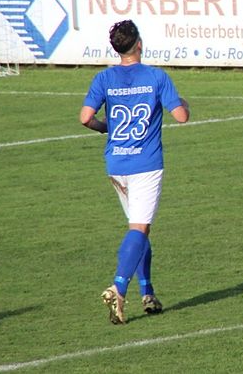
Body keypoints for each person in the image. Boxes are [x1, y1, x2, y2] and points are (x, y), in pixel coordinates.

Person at [79, 20, 190, 324]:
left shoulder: (104, 78)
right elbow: (181, 116)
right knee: (139, 229)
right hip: (146, 165)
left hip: (116, 164)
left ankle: (148, 291)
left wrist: (106, 128)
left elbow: (85, 117)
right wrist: (184, 103)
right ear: (139, 43)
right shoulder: (156, 76)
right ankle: (118, 286)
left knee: (139, 228)